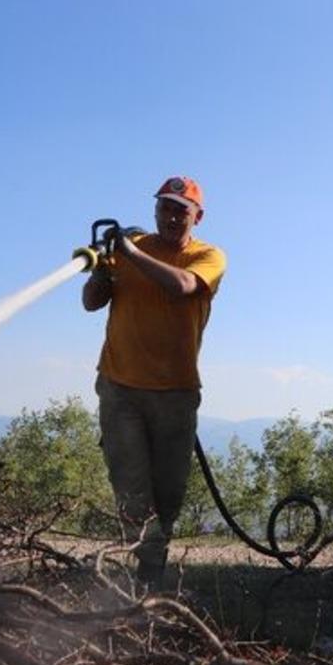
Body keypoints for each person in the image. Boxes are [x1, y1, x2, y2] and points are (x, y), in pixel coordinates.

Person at [82, 176, 227, 587]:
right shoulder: (133, 249)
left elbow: (182, 286)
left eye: (182, 209)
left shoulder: (209, 256)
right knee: (131, 489)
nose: (172, 216)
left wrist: (128, 251)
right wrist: (103, 272)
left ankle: (149, 578)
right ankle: (145, 585)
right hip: (120, 387)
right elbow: (91, 303)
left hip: (176, 395)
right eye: (165, 207)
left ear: (198, 216)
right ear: (155, 210)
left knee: (167, 497)